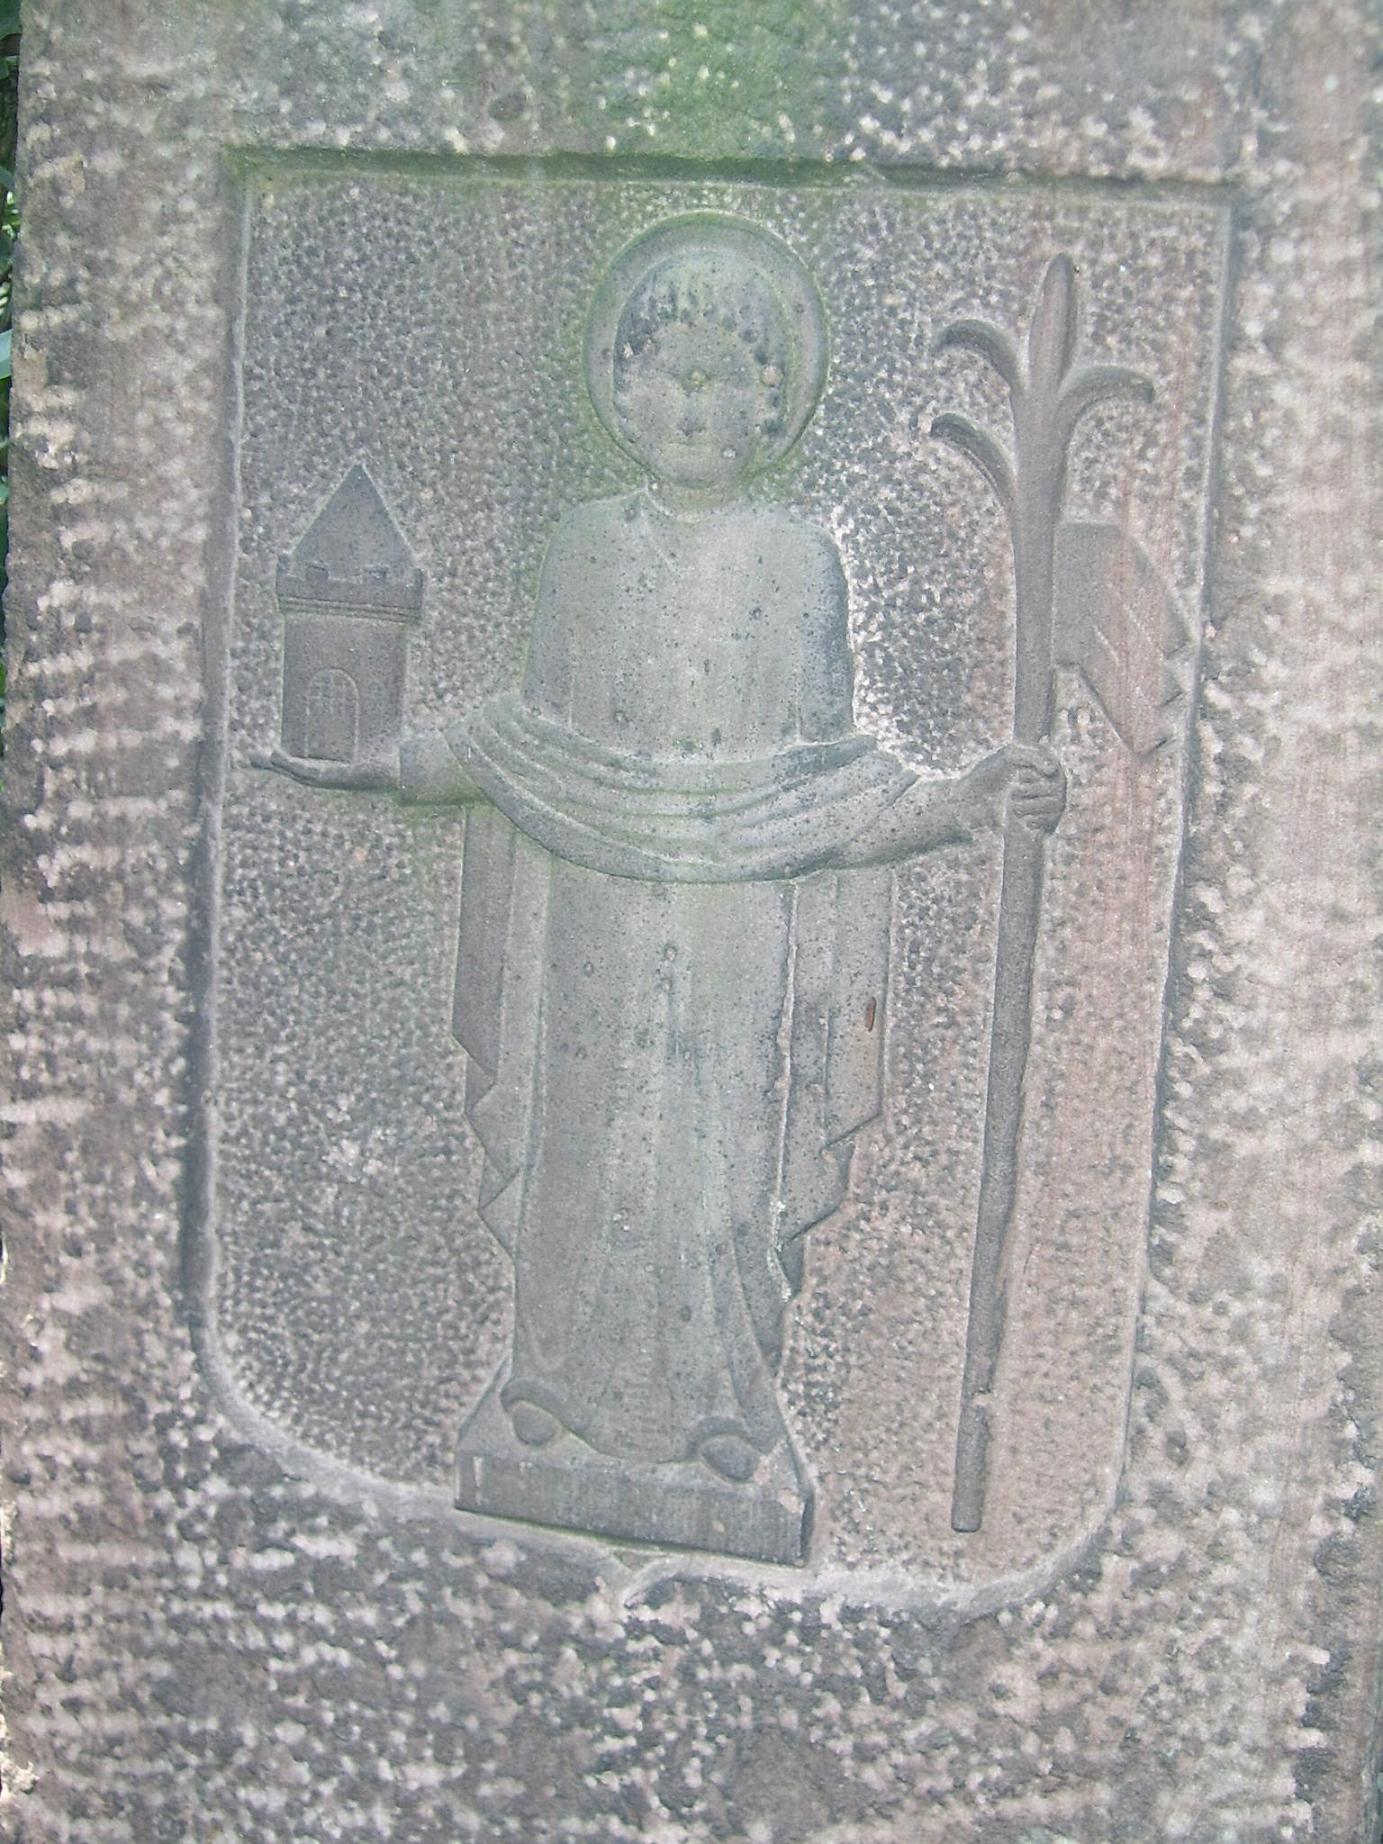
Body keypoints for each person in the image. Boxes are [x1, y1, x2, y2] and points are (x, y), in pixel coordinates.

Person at [267, 214, 1063, 1545]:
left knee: (720, 1163)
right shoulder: (583, 549)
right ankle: (546, 1388)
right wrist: (382, 764)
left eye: (723, 381)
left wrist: (957, 801)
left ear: (770, 404)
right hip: (588, 911)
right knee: (577, 1147)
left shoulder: (798, 564)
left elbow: (826, 785)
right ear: (625, 394)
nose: (694, 405)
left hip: (738, 925)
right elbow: (523, 744)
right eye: (669, 376)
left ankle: (723, 1407)